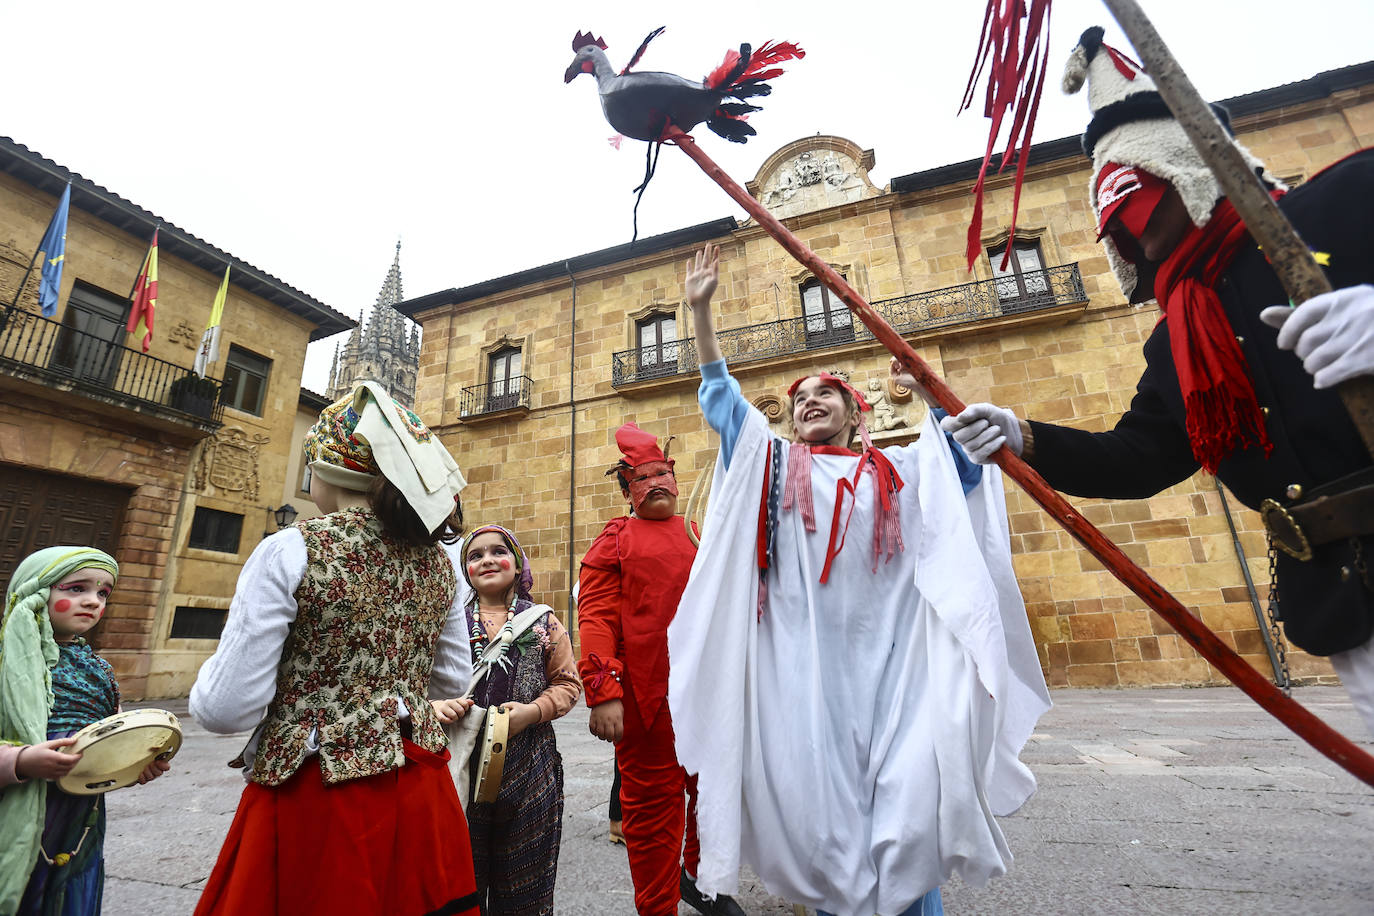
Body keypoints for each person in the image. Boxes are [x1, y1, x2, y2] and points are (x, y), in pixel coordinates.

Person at [940, 26, 1374, 734]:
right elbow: (1138, 460)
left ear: (1184, 165)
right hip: (1339, 592)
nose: (1127, 231)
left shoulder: (1348, 201)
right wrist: (1023, 436)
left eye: (1139, 198)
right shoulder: (1175, 339)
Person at [669, 244, 1051, 916]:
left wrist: (928, 384)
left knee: (908, 821)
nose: (809, 403)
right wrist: (700, 314)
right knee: (827, 833)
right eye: (800, 399)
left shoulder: (900, 472)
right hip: (805, 681)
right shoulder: (775, 467)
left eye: (826, 394)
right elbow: (727, 407)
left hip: (901, 675)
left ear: (856, 413)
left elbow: (961, 466)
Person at [189, 381, 479, 916]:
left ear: (326, 468)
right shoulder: (440, 564)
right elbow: (452, 681)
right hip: (418, 788)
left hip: (315, 790)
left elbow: (225, 709)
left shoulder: (291, 548)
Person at [577, 423, 746, 916]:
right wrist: (604, 689)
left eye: (662, 475)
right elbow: (597, 617)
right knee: (651, 813)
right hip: (644, 700)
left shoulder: (701, 534)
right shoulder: (614, 540)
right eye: (643, 478)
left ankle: (698, 877)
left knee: (714, 796)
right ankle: (657, 905)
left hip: (708, 694)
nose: (656, 485)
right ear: (627, 488)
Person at [0, 546, 169, 915]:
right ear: (36, 592)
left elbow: (110, 740)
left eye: (103, 592)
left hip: (81, 819)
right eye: (76, 589)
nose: (92, 601)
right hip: (15, 810)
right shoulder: (5, 661)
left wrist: (136, 764)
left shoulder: (100, 670)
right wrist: (21, 761)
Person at [432, 524, 581, 915]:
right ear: (465, 571)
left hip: (530, 767)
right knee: (462, 882)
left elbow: (567, 684)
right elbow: (423, 682)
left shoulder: (543, 622)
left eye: (498, 551)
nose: (487, 560)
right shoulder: (449, 624)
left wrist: (533, 712)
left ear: (517, 564)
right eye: (475, 555)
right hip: (460, 767)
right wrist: (438, 707)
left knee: (524, 888)